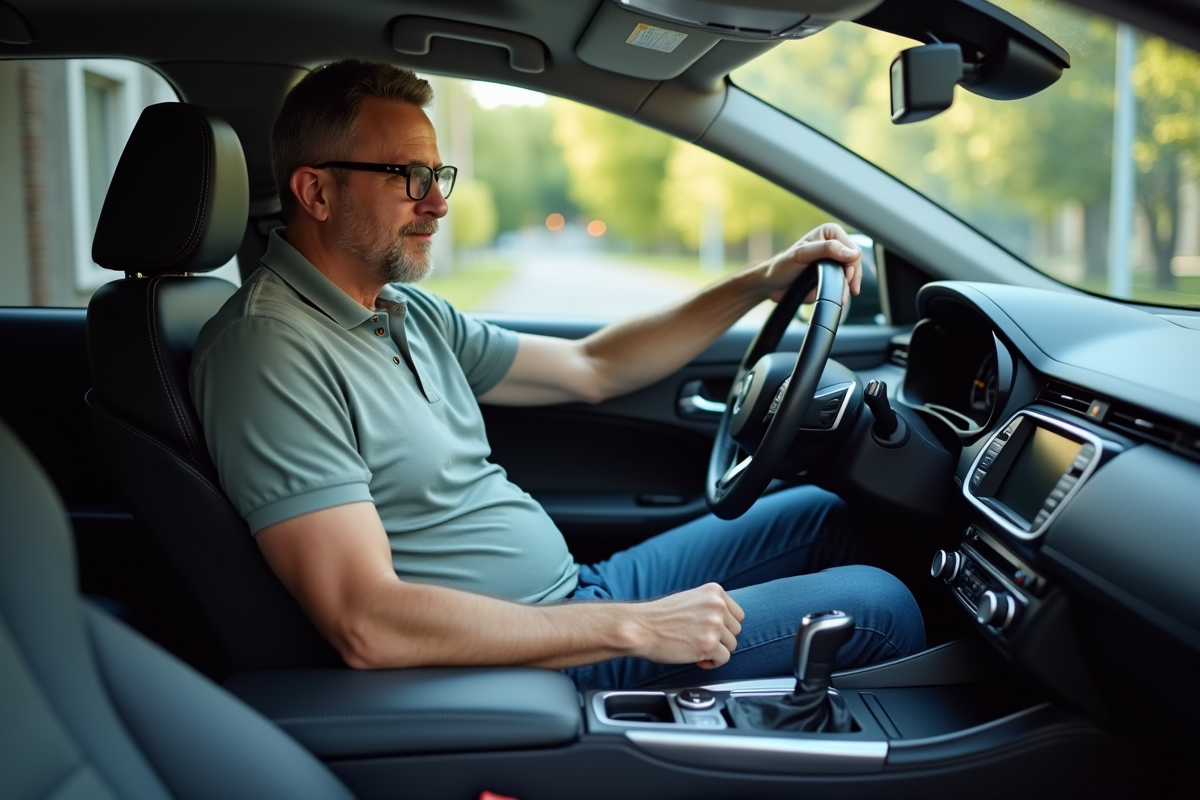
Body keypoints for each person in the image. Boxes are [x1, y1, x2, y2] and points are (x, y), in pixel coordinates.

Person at [190, 59, 924, 691]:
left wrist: (761, 281)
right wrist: (632, 627)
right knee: (875, 605)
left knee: (824, 517)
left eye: (437, 174)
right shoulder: (269, 350)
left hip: (574, 598)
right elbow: (367, 622)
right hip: (525, 663)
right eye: (408, 177)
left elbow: (592, 366)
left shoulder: (405, 311)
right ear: (316, 193)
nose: (438, 203)